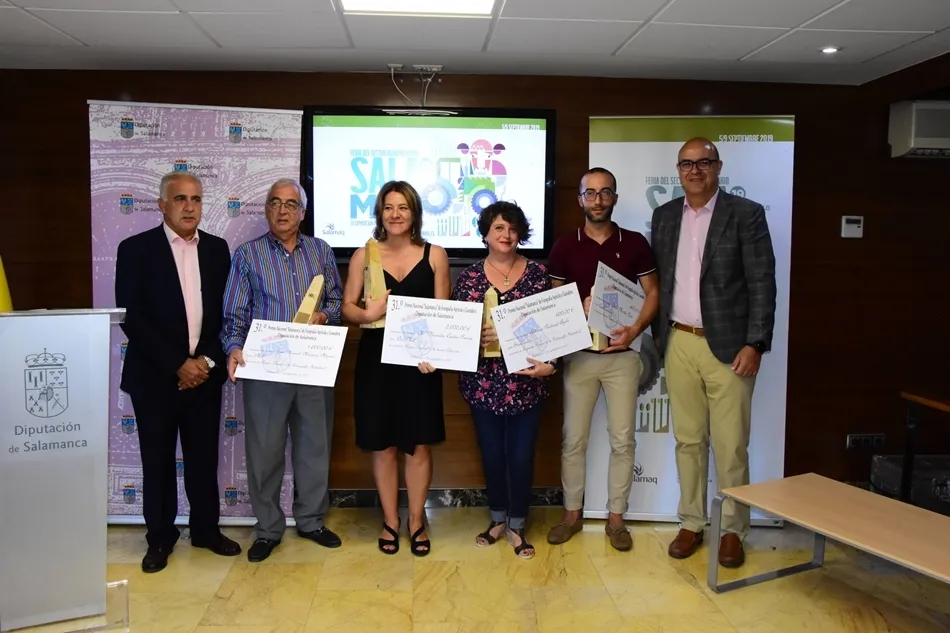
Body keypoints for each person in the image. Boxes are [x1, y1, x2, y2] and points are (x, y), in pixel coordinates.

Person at [651, 138, 776, 569]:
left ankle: (733, 530)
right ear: (678, 170)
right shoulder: (665, 216)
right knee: (688, 440)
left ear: (718, 167)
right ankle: (691, 522)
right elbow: (657, 281)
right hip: (678, 341)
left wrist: (756, 343)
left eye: (704, 162)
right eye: (687, 164)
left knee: (731, 446)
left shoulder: (745, 214)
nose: (695, 170)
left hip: (731, 347)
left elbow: (762, 282)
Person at [115, 170, 241, 573]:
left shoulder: (218, 249)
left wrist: (204, 363)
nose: (190, 207)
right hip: (155, 379)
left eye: (196, 199)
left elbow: (225, 315)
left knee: (203, 461)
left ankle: (205, 531)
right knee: (157, 463)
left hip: (204, 376)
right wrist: (177, 365)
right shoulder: (135, 249)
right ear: (162, 205)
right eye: (181, 199)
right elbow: (132, 317)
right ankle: (160, 538)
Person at [221, 177, 345, 563]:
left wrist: (323, 315)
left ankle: (311, 520)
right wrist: (233, 347)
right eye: (275, 203)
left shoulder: (321, 251)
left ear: (302, 212)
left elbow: (337, 301)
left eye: (290, 204)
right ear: (266, 210)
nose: (282, 210)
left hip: (312, 367)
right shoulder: (248, 255)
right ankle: (268, 528)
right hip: (266, 369)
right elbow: (234, 313)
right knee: (265, 450)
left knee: (314, 447)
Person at [545, 167, 660, 552]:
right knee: (573, 440)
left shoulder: (635, 243)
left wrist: (635, 329)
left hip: (623, 357)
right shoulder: (564, 246)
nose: (597, 200)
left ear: (615, 197)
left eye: (605, 192)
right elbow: (554, 303)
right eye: (590, 193)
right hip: (580, 356)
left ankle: (616, 519)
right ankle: (571, 515)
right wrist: (577, 308)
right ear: (580, 199)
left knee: (623, 440)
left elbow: (653, 293)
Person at [342, 180, 450, 557]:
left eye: (403, 207)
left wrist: (438, 352)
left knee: (418, 444)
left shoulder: (435, 255)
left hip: (421, 364)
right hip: (377, 362)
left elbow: (444, 315)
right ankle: (390, 520)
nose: (395, 214)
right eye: (388, 207)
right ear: (379, 213)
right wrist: (367, 313)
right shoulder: (364, 255)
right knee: (383, 443)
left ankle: (416, 521)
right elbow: (347, 307)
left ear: (415, 212)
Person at [451, 201, 557, 560]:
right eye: (498, 227)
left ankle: (517, 524)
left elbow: (555, 327)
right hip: (482, 383)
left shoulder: (539, 275)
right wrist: (473, 338)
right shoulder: (468, 278)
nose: (506, 234)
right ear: (485, 233)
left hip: (527, 382)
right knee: (492, 454)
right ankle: (497, 518)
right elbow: (454, 333)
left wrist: (552, 365)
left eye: (512, 228)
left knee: (522, 456)